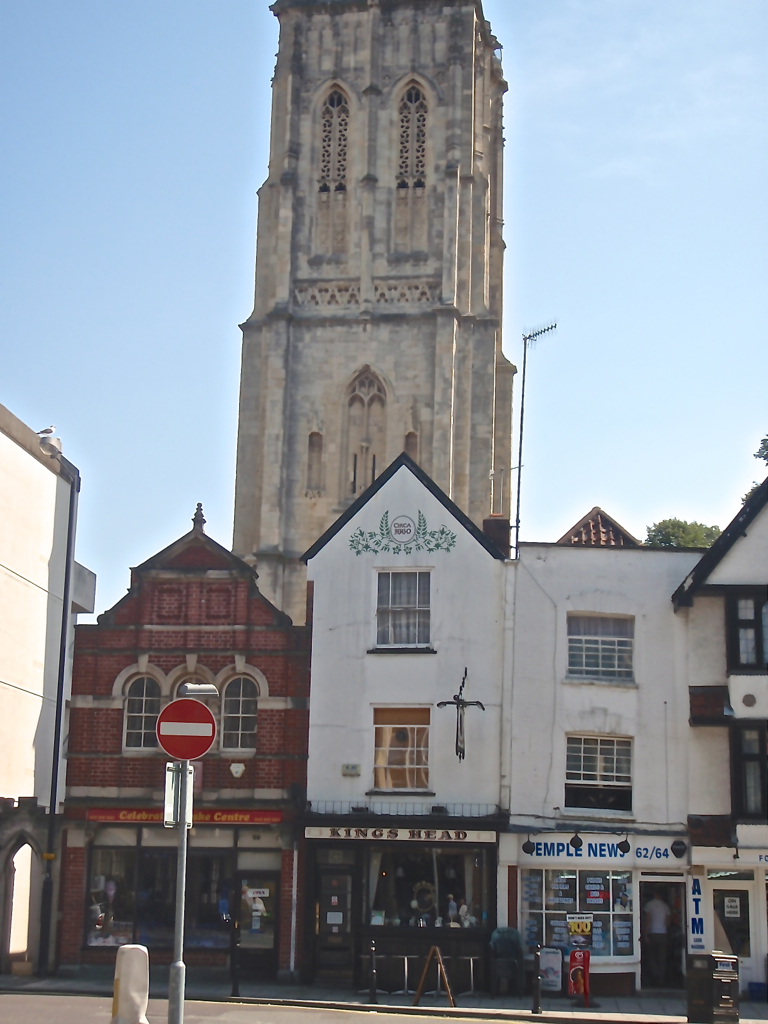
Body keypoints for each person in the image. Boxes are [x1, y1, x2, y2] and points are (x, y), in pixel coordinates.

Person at [643, 888, 671, 986]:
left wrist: (646, 934)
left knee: (651, 956)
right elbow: (668, 922)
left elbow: (648, 921)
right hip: (663, 933)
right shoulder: (665, 906)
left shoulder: (649, 905)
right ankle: (661, 978)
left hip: (653, 933)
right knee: (662, 957)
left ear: (654, 893)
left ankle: (655, 974)